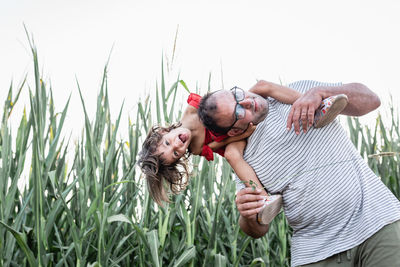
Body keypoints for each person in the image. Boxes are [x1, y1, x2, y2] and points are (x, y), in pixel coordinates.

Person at [197, 80, 400, 267]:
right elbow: (258, 230)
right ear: (233, 131)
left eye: (237, 95)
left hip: (377, 222)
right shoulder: (242, 156)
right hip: (315, 253)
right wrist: (248, 214)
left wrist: (321, 93)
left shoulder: (299, 92)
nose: (247, 102)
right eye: (239, 112)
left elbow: (371, 100)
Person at [138, 80, 346, 206]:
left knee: (262, 86)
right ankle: (262, 197)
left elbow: (219, 103)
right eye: (175, 153)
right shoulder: (197, 148)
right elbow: (225, 143)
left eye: (167, 142)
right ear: (181, 157)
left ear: (165, 131)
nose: (177, 145)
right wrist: (246, 131)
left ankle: (316, 108)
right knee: (232, 155)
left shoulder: (192, 109)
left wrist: (238, 109)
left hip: (235, 114)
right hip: (235, 137)